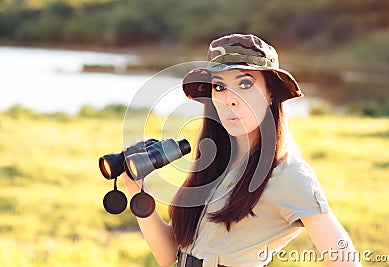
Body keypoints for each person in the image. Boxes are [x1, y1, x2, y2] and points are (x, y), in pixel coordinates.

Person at [122, 34, 361, 267]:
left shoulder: (288, 175)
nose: (230, 99)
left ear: (270, 93)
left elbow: (346, 261)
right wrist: (137, 189)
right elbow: (169, 255)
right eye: (219, 87)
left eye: (245, 84)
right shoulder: (214, 164)